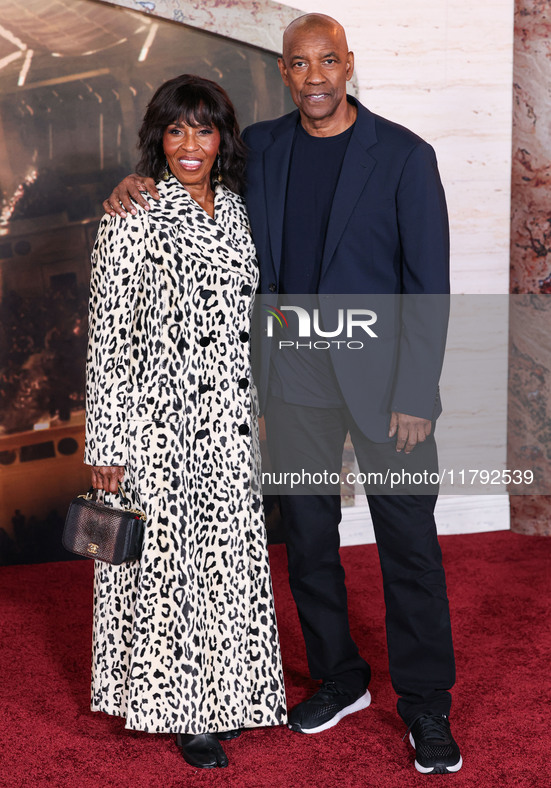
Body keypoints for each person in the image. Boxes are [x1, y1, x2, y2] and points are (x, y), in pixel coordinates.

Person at [103, 14, 462, 776]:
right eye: (300, 65)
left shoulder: (403, 155)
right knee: (306, 545)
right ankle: (341, 677)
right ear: (284, 75)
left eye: (328, 61)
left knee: (410, 549)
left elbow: (427, 289)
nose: (316, 77)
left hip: (386, 390)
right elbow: (187, 184)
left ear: (348, 65)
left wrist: (417, 394)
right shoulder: (260, 149)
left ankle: (426, 706)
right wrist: (132, 184)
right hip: (293, 385)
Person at [85, 73, 286, 770]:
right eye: (176, 130)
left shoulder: (235, 211)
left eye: (203, 129)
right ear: (158, 140)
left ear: (221, 138)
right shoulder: (132, 214)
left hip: (228, 419)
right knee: (170, 570)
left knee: (227, 563)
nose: (190, 145)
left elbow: (246, 324)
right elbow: (109, 339)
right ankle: (182, 710)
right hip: (156, 425)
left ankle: (228, 694)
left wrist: (254, 406)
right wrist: (106, 442)